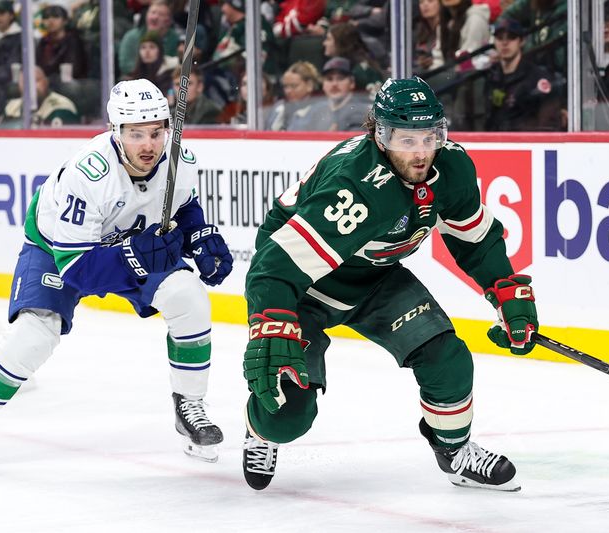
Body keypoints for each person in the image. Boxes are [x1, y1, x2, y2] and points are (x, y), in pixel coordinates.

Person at [240, 77, 538, 492]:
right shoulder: (355, 187)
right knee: (286, 416)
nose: (420, 152)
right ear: (380, 135)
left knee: (447, 358)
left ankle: (454, 453)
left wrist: (505, 288)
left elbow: (475, 239)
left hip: (374, 279)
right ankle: (260, 433)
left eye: (430, 136)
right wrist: (271, 318)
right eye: (405, 139)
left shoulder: (449, 167)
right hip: (303, 290)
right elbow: (273, 267)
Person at [0, 78, 234, 474]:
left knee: (188, 297)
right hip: (57, 251)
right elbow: (79, 271)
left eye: (157, 132)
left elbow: (184, 205)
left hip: (128, 242)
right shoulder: (89, 174)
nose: (149, 145)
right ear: (116, 131)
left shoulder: (182, 161)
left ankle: (189, 408)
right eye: (136, 134)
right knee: (34, 335)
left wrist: (199, 234)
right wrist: (137, 258)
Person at [484, 18, 565, 131]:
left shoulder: (538, 78)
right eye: (500, 38)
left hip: (528, 144)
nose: (505, 43)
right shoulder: (492, 77)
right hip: (496, 143)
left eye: (511, 37)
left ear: (521, 41)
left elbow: (549, 127)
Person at [0, 66, 80, 128]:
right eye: (24, 82)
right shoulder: (11, 107)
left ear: (46, 82)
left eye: (36, 80)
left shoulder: (62, 106)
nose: (30, 86)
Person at [311, 56, 368, 131]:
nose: (334, 84)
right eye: (329, 79)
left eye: (340, 78)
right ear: (323, 85)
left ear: (352, 83)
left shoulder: (361, 112)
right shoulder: (314, 110)